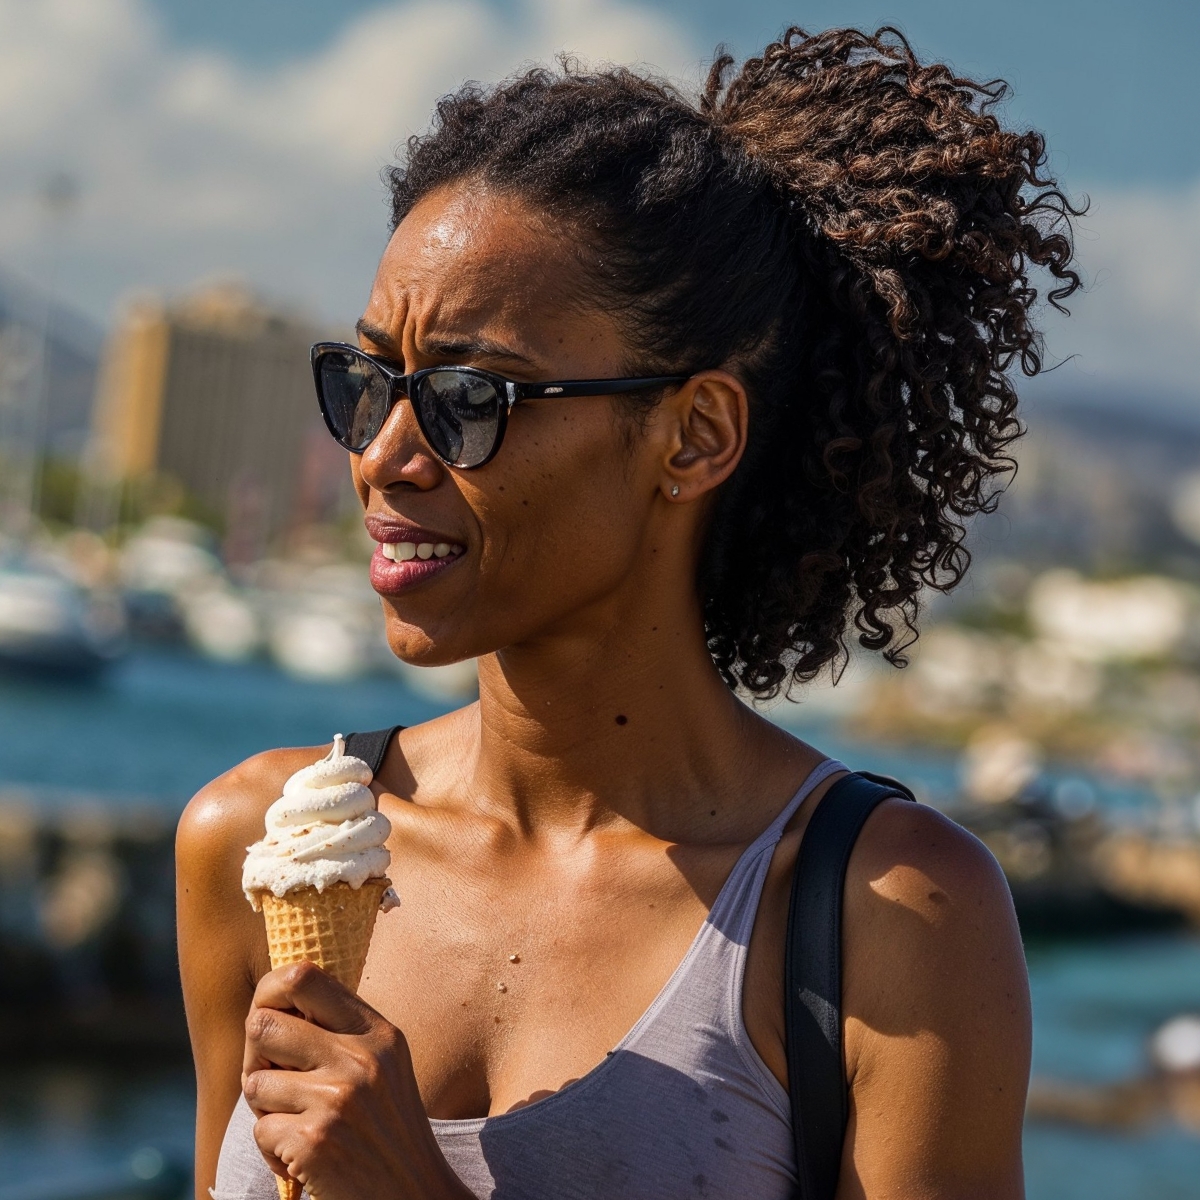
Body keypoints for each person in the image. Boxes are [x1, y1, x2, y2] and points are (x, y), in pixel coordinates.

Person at [178, 26, 1079, 1200]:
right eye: (369, 385)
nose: (385, 456)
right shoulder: (256, 849)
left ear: (694, 435)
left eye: (466, 396)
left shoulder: (890, 918)